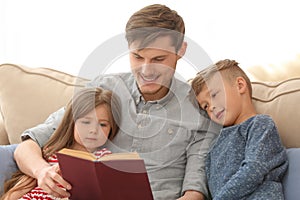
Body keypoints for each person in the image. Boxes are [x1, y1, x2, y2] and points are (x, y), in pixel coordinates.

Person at [1, 4, 218, 200]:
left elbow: (195, 192)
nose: (146, 70)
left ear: (180, 51)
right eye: (137, 57)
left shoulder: (200, 108)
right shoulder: (103, 89)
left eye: (158, 59)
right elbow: (27, 146)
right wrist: (42, 172)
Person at [191, 59, 288, 199]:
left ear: (240, 85)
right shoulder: (215, 142)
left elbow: (254, 169)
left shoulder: (260, 124)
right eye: (205, 106)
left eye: (214, 95)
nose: (211, 107)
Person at [1, 87, 118, 200]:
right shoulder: (52, 153)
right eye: (86, 122)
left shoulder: (104, 159)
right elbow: (23, 186)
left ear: (111, 129)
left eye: (103, 124)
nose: (93, 130)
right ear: (72, 123)